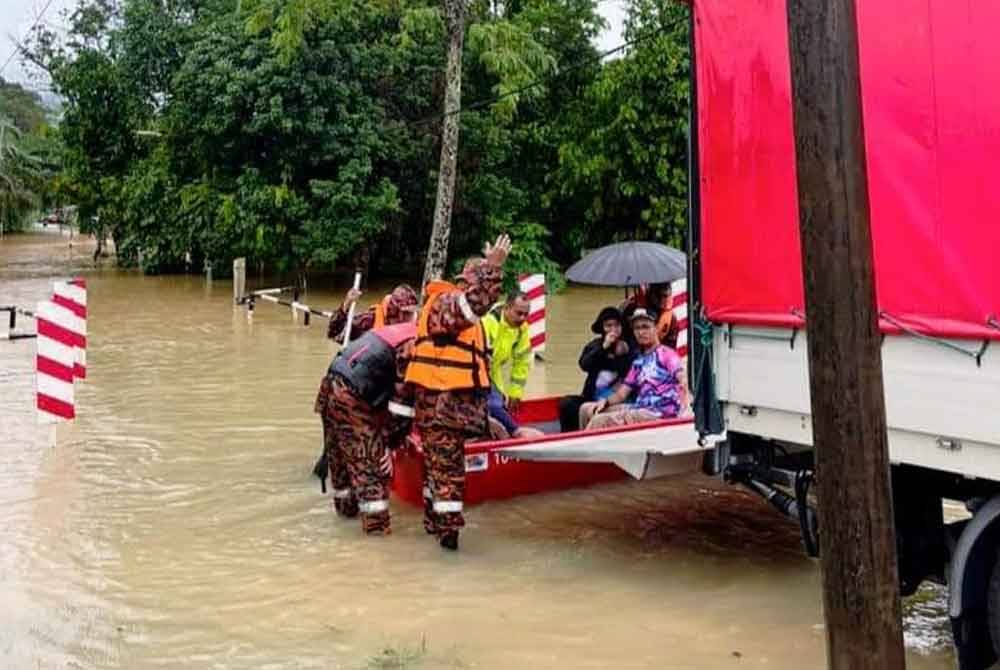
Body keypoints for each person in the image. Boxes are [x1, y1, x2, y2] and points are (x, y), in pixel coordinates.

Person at [405, 234, 512, 551]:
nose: (482, 284)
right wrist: (492, 268)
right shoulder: (446, 303)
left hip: (449, 411)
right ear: (465, 281)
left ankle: (434, 528)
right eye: (477, 277)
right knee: (448, 480)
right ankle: (448, 542)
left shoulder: (458, 310)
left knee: (437, 475)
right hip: (443, 411)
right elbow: (474, 304)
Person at [312, 284, 419, 498]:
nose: (408, 318)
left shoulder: (409, 334)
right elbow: (335, 332)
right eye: (405, 313)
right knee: (346, 451)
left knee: (379, 440)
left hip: (377, 391)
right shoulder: (372, 320)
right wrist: (346, 305)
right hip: (357, 392)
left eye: (411, 313)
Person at [326, 321, 417, 535]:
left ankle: (346, 518)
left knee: (342, 463)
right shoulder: (414, 345)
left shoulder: (398, 331)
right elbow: (402, 404)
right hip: (353, 396)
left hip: (331, 385)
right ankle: (377, 539)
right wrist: (389, 445)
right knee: (374, 469)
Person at [579, 308, 686, 430]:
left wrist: (685, 407)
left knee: (600, 421)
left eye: (645, 327)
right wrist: (605, 402)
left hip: (660, 413)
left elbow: (683, 379)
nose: (641, 332)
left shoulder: (667, 354)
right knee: (586, 409)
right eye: (637, 328)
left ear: (656, 328)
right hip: (640, 408)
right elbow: (621, 394)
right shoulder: (638, 362)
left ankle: (584, 447)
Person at [557, 306, 634, 432]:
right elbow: (584, 365)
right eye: (609, 326)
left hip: (616, 398)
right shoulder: (595, 345)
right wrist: (604, 348)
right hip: (591, 395)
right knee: (566, 404)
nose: (613, 330)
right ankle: (567, 437)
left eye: (616, 326)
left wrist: (622, 356)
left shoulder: (629, 346)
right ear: (603, 328)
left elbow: (631, 375)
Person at [482, 293, 543, 439]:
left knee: (497, 405)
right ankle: (517, 432)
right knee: (492, 407)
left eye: (526, 314)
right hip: (477, 372)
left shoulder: (522, 329)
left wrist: (515, 392)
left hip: (492, 373)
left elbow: (522, 360)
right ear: (507, 308)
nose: (522, 318)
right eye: (519, 313)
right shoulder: (489, 323)